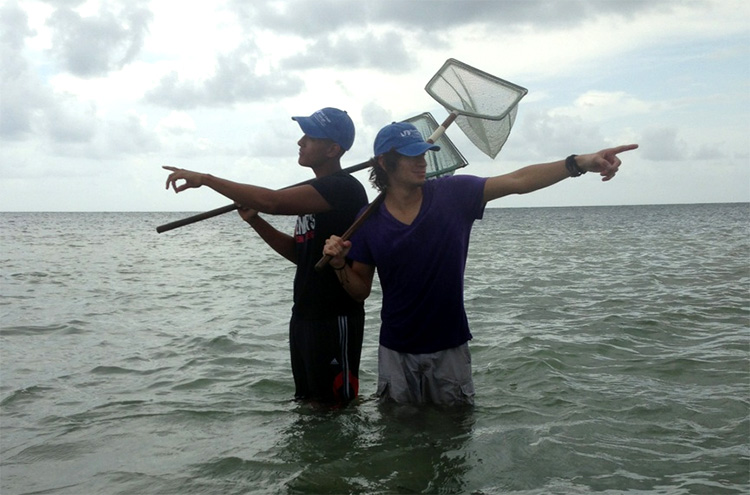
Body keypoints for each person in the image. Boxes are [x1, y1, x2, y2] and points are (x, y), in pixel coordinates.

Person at [323, 121, 638, 406]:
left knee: (453, 442)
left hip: (449, 348)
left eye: (423, 153)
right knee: (396, 443)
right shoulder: (367, 219)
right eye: (411, 155)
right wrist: (339, 265)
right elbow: (360, 290)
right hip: (394, 352)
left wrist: (579, 163)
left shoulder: (454, 195)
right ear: (384, 162)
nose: (422, 162)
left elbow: (518, 180)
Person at [164, 107, 369, 404]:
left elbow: (272, 200)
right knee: (308, 405)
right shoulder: (316, 192)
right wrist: (256, 221)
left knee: (336, 406)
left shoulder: (343, 188)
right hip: (305, 315)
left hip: (334, 317)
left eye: (310, 137)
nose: (301, 142)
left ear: (333, 149)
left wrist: (206, 179)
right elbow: (302, 255)